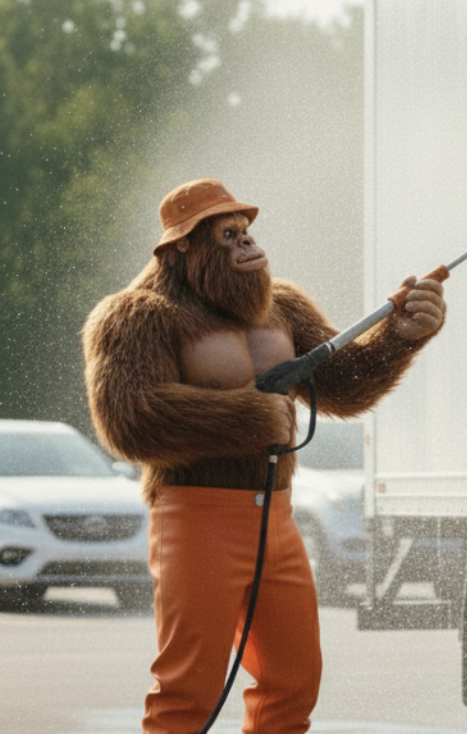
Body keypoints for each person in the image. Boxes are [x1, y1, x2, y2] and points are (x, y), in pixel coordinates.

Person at [82, 178, 445, 734]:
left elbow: (342, 386)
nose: (249, 246)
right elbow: (128, 419)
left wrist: (401, 336)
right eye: (229, 235)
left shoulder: (283, 308)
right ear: (184, 246)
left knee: (294, 680)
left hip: (276, 518)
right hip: (195, 517)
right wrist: (250, 417)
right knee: (189, 691)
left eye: (248, 231)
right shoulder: (135, 315)